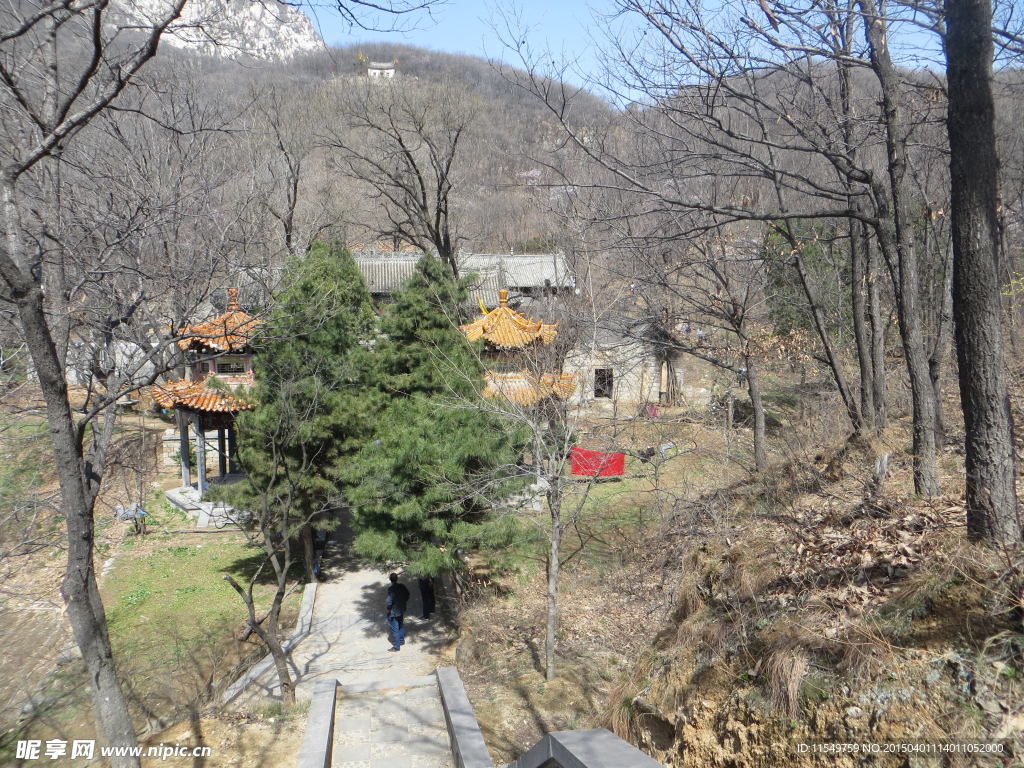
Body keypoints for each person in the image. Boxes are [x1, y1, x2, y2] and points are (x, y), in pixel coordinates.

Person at [385, 573, 410, 652]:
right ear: (397, 578)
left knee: (394, 628)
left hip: (394, 612)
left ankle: (396, 646)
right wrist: (403, 602)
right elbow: (407, 594)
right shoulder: (402, 586)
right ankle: (401, 641)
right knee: (400, 625)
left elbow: (389, 601)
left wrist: (389, 609)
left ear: (390, 579)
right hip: (401, 609)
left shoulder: (391, 589)